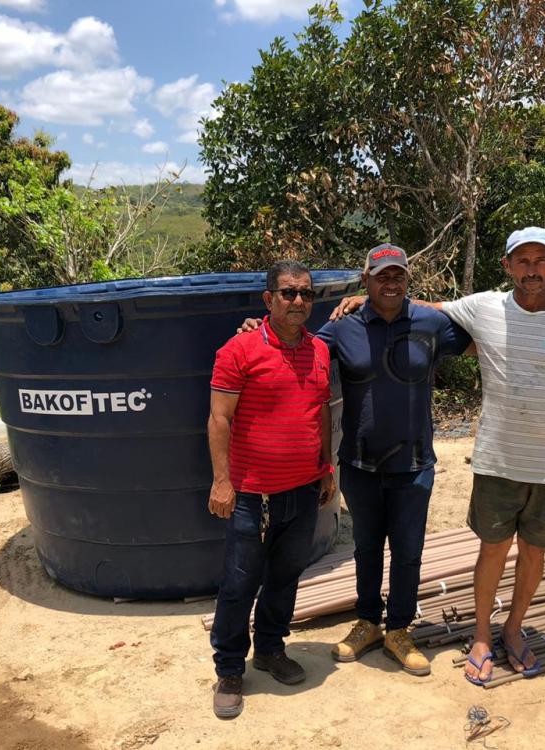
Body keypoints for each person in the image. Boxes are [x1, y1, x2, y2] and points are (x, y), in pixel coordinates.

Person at [333, 226, 545, 685]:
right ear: (507, 266)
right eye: (523, 260)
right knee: (467, 549)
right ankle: (447, 632)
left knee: (521, 552)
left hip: (544, 461)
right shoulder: (479, 307)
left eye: (541, 260)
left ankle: (487, 630)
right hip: (483, 458)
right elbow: (423, 312)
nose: (532, 269)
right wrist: (356, 301)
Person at [241, 243, 472, 677]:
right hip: (361, 465)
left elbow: (486, 336)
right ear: (365, 281)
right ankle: (367, 622)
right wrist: (256, 328)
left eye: (398, 275)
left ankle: (400, 629)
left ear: (407, 281)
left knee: (408, 552)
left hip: (414, 463)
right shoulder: (341, 328)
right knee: (365, 548)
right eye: (381, 276)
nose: (391, 283)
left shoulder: (431, 323)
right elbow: (291, 343)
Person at [207, 259, 337, 719]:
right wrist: (222, 481)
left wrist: (326, 467)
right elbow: (219, 417)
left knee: (285, 578)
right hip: (250, 495)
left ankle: (270, 650)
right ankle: (229, 669)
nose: (299, 301)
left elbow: (319, 412)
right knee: (240, 584)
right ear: (269, 299)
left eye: (306, 293)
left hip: (302, 491)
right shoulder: (239, 350)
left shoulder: (319, 351)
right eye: (288, 292)